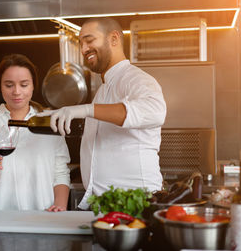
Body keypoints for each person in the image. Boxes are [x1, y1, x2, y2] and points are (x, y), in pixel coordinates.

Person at [37, 17, 167, 209]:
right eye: (81, 44)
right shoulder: (102, 91)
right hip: (104, 204)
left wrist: (85, 109)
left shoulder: (136, 79)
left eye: (89, 41)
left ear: (114, 39)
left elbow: (155, 112)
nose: (83, 49)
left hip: (136, 203)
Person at [0, 54, 70, 212]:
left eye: (24, 84)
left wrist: (60, 207)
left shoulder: (50, 122)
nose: (16, 91)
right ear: (0, 86)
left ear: (33, 86)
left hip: (42, 216)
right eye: (9, 85)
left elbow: (61, 173)